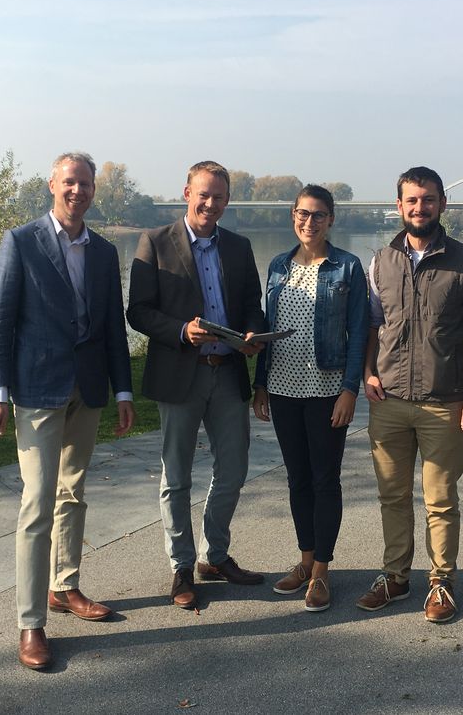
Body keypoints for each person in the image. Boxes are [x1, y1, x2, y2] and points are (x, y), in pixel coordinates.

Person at [0, 152, 136, 671]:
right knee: (37, 503)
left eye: (86, 184)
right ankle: (31, 624)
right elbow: (0, 323)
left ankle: (64, 586)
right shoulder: (21, 242)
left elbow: (114, 327)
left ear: (95, 190)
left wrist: (123, 392)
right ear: (52, 184)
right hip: (37, 390)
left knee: (74, 492)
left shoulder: (103, 251)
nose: (78, 191)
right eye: (69, 182)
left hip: (88, 390)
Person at [356, 166, 463, 623]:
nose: (420, 207)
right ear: (399, 206)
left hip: (444, 401)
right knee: (392, 496)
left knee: (440, 499)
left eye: (428, 199)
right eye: (411, 200)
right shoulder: (380, 261)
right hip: (389, 399)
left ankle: (441, 582)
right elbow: (373, 325)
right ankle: (396, 577)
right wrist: (368, 372)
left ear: (442, 204)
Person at [127, 160, 267, 610]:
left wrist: (251, 334)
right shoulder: (153, 242)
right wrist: (180, 331)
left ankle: (215, 555)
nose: (211, 204)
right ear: (187, 192)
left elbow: (252, 306)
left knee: (234, 470)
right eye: (204, 194)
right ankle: (182, 567)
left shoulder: (240, 248)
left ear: (228, 201)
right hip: (179, 373)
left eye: (220, 197)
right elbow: (139, 312)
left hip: (226, 372)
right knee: (177, 477)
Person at [253, 185, 368, 612]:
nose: (310, 222)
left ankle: (322, 571)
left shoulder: (348, 268)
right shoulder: (278, 266)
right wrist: (260, 384)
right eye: (303, 214)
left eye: (319, 215)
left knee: (324, 480)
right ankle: (303, 561)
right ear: (292, 215)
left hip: (325, 392)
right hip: (282, 390)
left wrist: (350, 390)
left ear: (331, 219)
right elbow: (268, 328)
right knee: (297, 480)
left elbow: (359, 333)